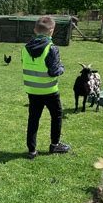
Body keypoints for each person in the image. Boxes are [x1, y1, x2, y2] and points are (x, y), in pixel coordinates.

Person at [22, 16, 71, 160]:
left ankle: (32, 150)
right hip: (49, 91)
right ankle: (55, 144)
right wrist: (62, 67)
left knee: (33, 119)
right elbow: (54, 71)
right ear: (52, 31)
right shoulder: (51, 48)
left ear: (35, 30)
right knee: (56, 116)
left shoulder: (25, 48)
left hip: (32, 91)